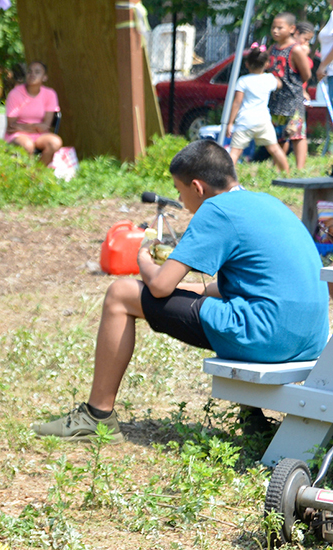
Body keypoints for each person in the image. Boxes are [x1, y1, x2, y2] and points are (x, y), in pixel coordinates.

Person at [33, 140, 328, 440]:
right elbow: (228, 288)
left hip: (266, 339)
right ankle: (252, 416)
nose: (179, 198)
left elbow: (160, 286)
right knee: (224, 303)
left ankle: (96, 416)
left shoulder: (215, 210)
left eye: (179, 190)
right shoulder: (268, 203)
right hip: (309, 338)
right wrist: (184, 287)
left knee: (120, 294)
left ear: (197, 188)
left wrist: (143, 261)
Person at [224, 46, 290, 171]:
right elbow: (279, 84)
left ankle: (226, 178)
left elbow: (237, 102)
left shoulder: (243, 81)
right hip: (263, 121)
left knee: (236, 152)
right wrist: (271, 71)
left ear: (247, 64)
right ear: (267, 63)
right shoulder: (269, 79)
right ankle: (287, 173)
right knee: (274, 149)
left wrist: (230, 123)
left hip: (245, 121)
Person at [268, 12, 312, 170]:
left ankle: (300, 169)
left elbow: (306, 74)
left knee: (297, 135)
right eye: (273, 27)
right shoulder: (273, 48)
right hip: (276, 101)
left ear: (292, 29)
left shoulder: (296, 50)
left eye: (280, 28)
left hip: (293, 100)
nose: (275, 31)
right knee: (280, 136)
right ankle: (279, 166)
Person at [4, 61, 62, 163]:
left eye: (37, 72)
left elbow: (46, 126)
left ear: (44, 77)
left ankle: (37, 174)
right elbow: (11, 126)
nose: (32, 75)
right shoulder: (15, 94)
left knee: (55, 142)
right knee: (27, 145)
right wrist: (35, 127)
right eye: (29, 72)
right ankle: (25, 175)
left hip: (40, 135)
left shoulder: (50, 94)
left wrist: (24, 126)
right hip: (18, 135)